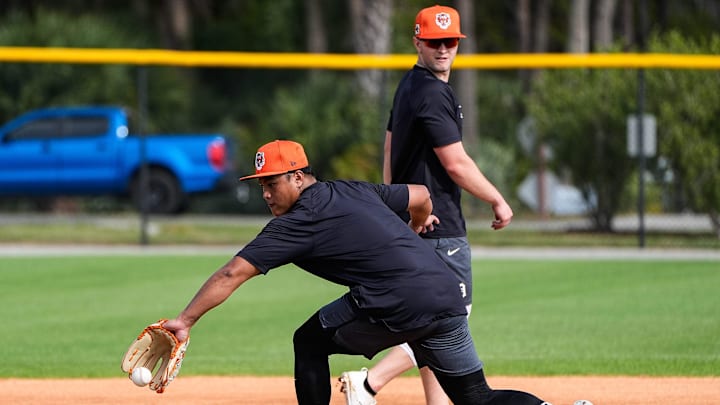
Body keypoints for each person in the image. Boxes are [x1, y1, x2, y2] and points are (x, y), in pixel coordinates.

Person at [162, 140, 548, 405]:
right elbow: (420, 195)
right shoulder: (353, 189)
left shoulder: (299, 221)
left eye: (272, 183)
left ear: (298, 177)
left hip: (396, 303)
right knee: (478, 399)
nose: (266, 193)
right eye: (261, 185)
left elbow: (232, 274)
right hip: (446, 292)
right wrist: (414, 228)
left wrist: (185, 320)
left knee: (309, 342)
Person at [340, 5, 514, 405]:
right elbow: (455, 162)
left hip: (415, 220)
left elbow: (388, 144)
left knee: (427, 317)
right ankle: (368, 383)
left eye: (449, 40)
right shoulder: (433, 93)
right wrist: (498, 199)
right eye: (434, 41)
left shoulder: (410, 85)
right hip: (440, 227)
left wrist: (394, 202)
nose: (442, 48)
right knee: (451, 318)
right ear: (417, 40)